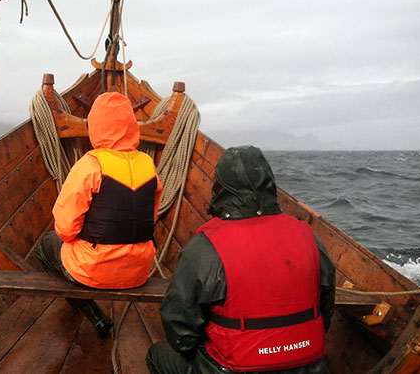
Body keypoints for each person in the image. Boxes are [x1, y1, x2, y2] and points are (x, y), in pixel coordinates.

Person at [146, 145, 335, 374]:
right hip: (311, 368)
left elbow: (179, 330)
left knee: (157, 355)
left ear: (220, 189)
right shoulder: (310, 238)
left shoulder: (205, 246)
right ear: (270, 184)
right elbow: (325, 309)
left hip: (232, 369)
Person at [35, 91, 162, 336]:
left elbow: (65, 228)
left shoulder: (90, 164)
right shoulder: (148, 165)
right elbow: (150, 219)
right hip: (140, 270)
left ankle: (92, 314)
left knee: (46, 246)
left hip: (93, 269)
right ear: (131, 126)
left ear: (95, 125)